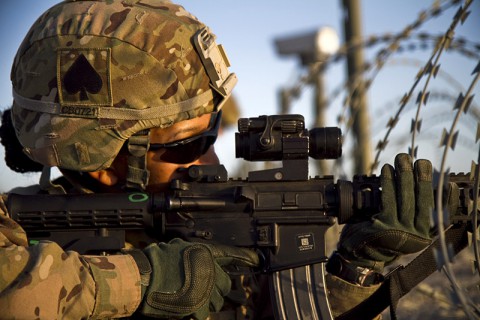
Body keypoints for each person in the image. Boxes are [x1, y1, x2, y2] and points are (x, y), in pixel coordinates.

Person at [0, 1, 456, 319]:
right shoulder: (22, 240)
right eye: (186, 144)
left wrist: (356, 269)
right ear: (99, 160)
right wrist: (140, 280)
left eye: (212, 133)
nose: (212, 160)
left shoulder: (210, 231)